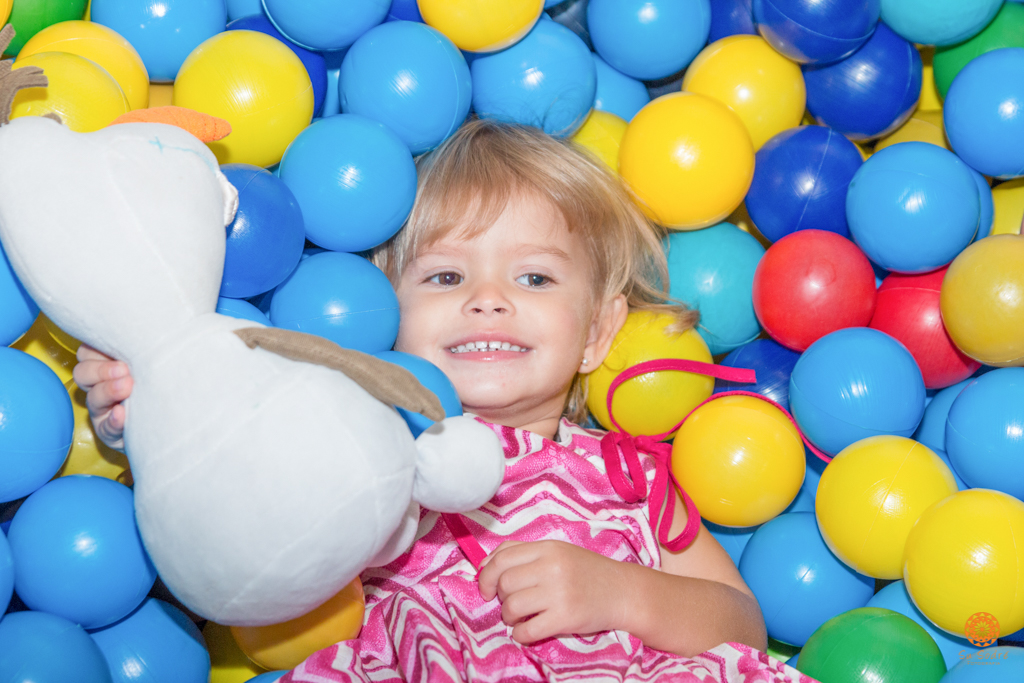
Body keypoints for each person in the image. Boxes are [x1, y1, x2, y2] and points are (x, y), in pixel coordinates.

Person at [75, 119, 811, 682]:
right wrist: (161, 401)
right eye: (446, 278)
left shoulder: (627, 476)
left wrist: (623, 594)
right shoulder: (356, 446)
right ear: (381, 310)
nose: (488, 300)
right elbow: (241, 532)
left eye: (534, 279)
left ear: (597, 332)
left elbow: (741, 623)